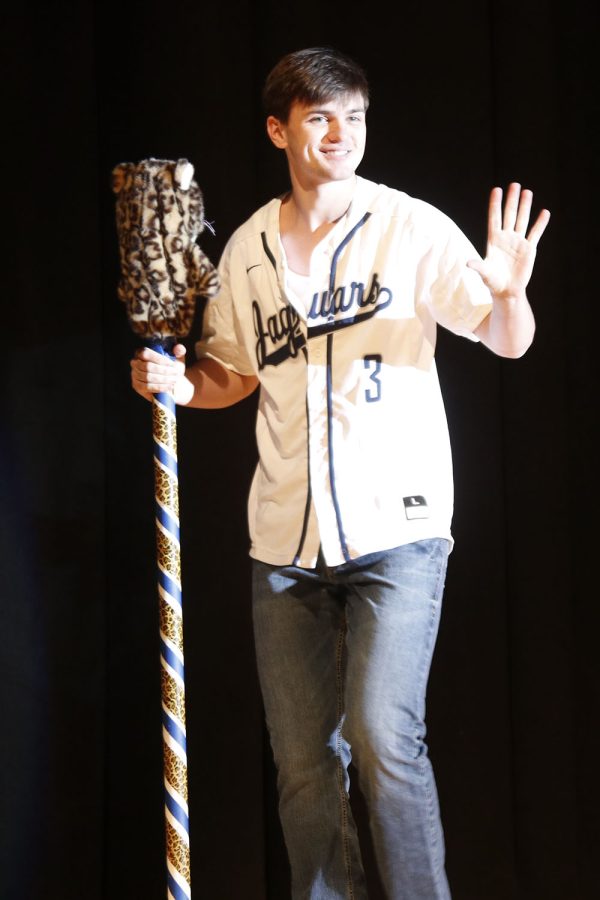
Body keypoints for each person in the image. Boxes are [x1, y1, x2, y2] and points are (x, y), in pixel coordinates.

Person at [131, 46, 550, 900]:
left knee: (383, 735)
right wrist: (179, 384)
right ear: (279, 128)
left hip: (399, 529)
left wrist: (507, 292)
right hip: (284, 542)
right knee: (301, 764)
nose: (340, 134)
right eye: (319, 117)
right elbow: (233, 375)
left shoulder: (408, 225)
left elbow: (508, 339)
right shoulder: (247, 249)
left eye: (353, 116)